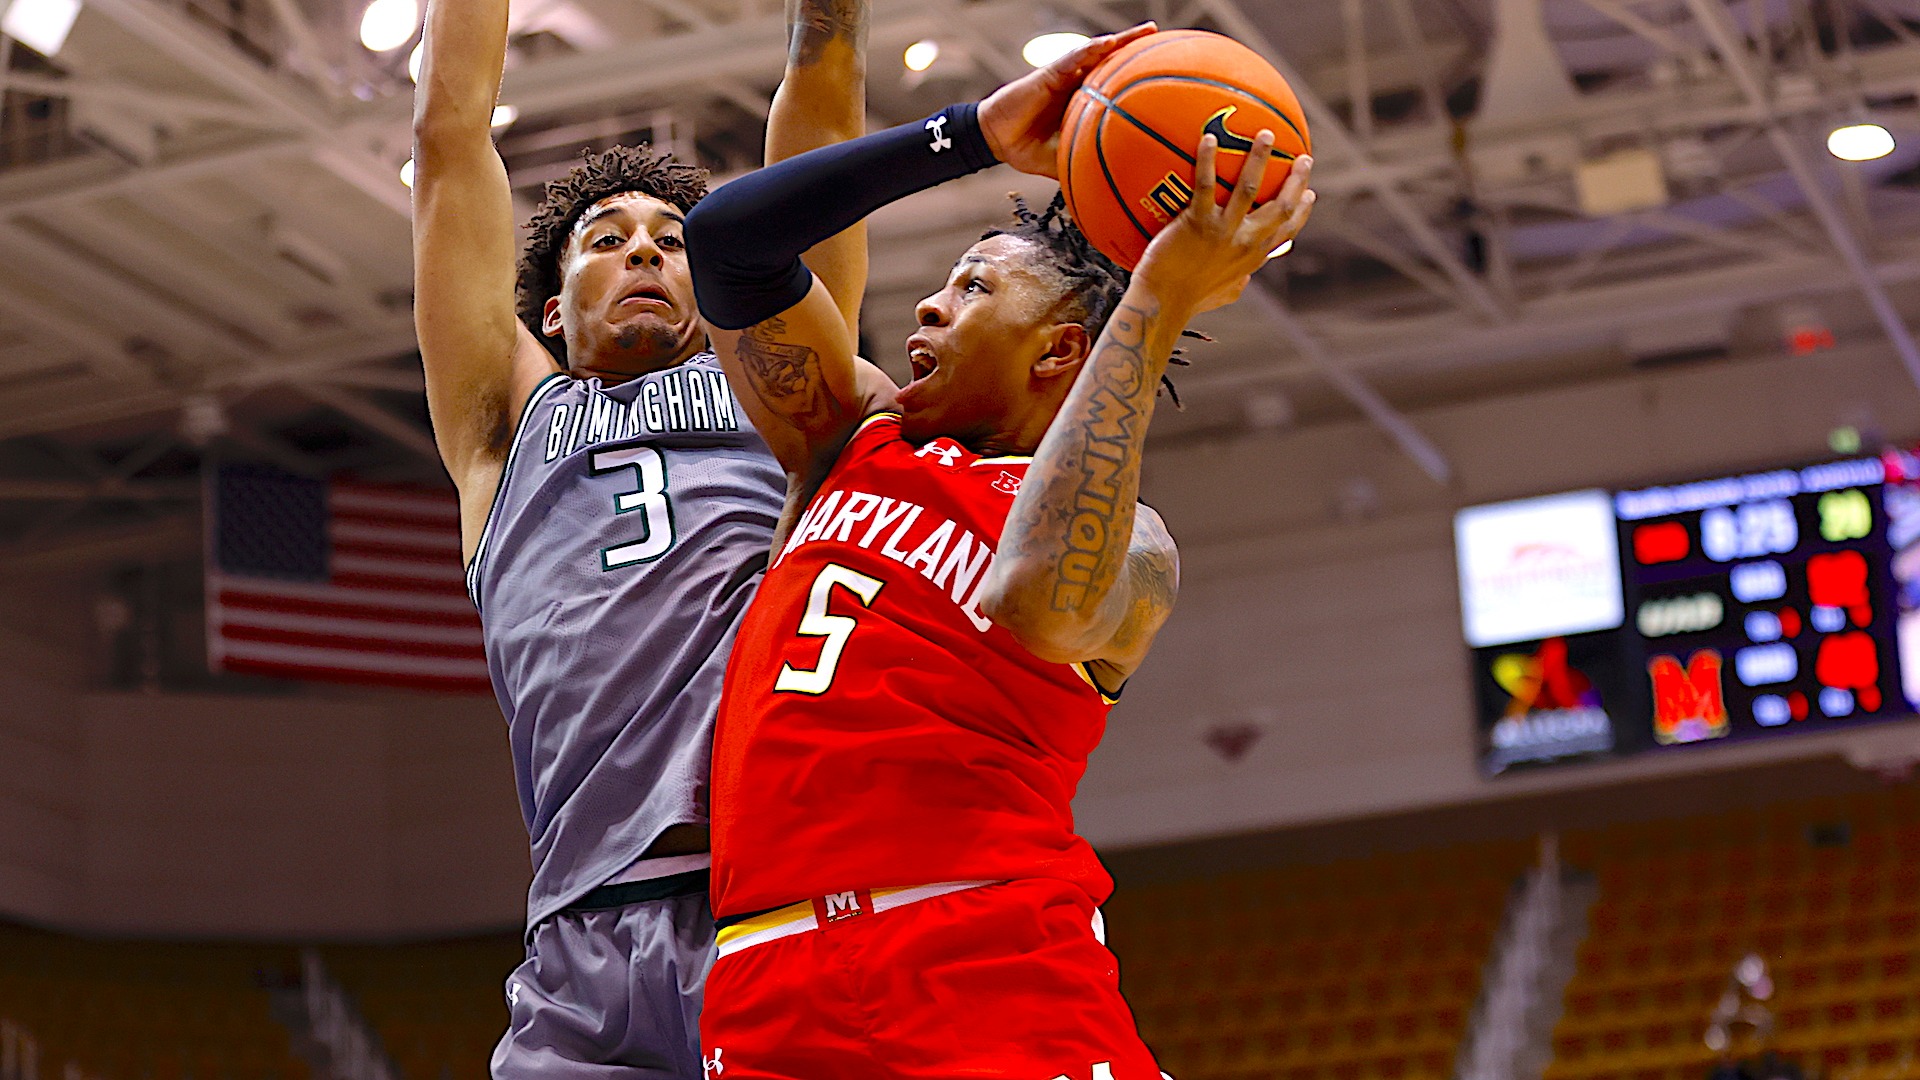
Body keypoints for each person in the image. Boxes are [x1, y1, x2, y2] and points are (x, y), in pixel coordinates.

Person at [682, 25, 1315, 1077]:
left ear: (1061, 349)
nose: (929, 304)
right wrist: (968, 135)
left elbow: (1038, 603)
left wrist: (1155, 298)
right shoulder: (850, 438)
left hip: (980, 968)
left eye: (975, 287)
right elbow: (728, 243)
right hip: (766, 982)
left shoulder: (1134, 547)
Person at [407, 0, 871, 1072]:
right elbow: (447, 140)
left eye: (670, 243)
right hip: (583, 934)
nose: (646, 256)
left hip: (777, 905)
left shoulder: (782, 386)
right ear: (553, 311)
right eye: (608, 243)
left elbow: (820, 150)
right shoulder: (504, 424)